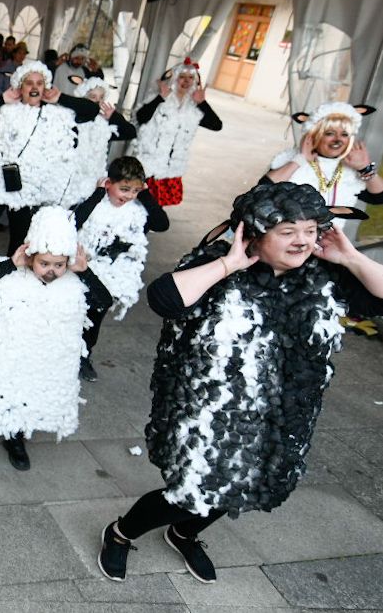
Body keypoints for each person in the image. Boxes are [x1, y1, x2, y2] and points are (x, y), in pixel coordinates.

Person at [98, 182, 383, 585]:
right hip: (210, 414)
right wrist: (230, 264)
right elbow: (164, 299)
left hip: (279, 418)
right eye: (288, 231)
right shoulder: (220, 267)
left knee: (244, 487)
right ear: (253, 234)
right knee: (188, 490)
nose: (302, 241)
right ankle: (121, 532)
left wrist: (350, 257)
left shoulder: (325, 274)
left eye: (309, 230)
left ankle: (184, 534)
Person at [0, 206, 111, 471]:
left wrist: (84, 271)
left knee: (25, 393)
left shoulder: (74, 283)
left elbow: (103, 302)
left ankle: (15, 435)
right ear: (30, 256)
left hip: (39, 358)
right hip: (5, 355)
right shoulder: (9, 274)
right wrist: (11, 263)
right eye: (44, 263)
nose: (51, 271)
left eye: (59, 265)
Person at [0, 60, 99, 290]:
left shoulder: (59, 113)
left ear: (46, 86)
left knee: (19, 240)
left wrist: (60, 98)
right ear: (21, 86)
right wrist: (2, 99)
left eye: (40, 82)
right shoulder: (6, 108)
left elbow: (92, 110)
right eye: (29, 82)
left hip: (28, 188)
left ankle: (9, 281)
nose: (34, 87)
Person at [72, 156, 169, 381]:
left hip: (111, 275)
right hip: (82, 267)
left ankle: (83, 356)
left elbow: (162, 224)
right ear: (109, 183)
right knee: (71, 313)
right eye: (124, 189)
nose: (128, 196)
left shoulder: (138, 211)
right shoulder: (95, 204)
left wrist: (143, 193)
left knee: (94, 318)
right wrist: (98, 194)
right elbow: (74, 221)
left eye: (135, 191)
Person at [265, 101, 383, 219]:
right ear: (315, 135)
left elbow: (378, 198)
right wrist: (301, 159)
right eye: (330, 133)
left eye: (344, 134)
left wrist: (364, 168)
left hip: (332, 236)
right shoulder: (291, 159)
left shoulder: (349, 168)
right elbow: (264, 189)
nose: (338, 140)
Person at [130, 58, 222, 206]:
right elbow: (140, 118)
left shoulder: (193, 106)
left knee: (156, 208)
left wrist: (202, 103)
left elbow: (216, 125)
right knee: (138, 203)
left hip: (172, 167)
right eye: (182, 77)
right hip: (149, 164)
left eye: (191, 78)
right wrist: (160, 98)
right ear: (174, 78)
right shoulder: (161, 97)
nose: (186, 81)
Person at [59, 77, 137, 210]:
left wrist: (114, 117)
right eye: (92, 97)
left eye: (101, 98)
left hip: (93, 181)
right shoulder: (69, 121)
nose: (97, 102)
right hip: (68, 183)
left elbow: (130, 132)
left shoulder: (103, 125)